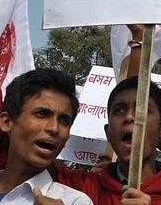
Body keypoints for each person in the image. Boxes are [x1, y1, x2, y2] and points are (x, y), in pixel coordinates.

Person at [51, 77, 161, 205]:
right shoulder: (77, 186)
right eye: (119, 110)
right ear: (108, 132)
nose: (129, 117)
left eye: (142, 110)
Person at [0, 68, 92, 204]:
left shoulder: (74, 201)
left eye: (64, 121)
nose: (54, 128)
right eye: (42, 114)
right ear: (7, 122)